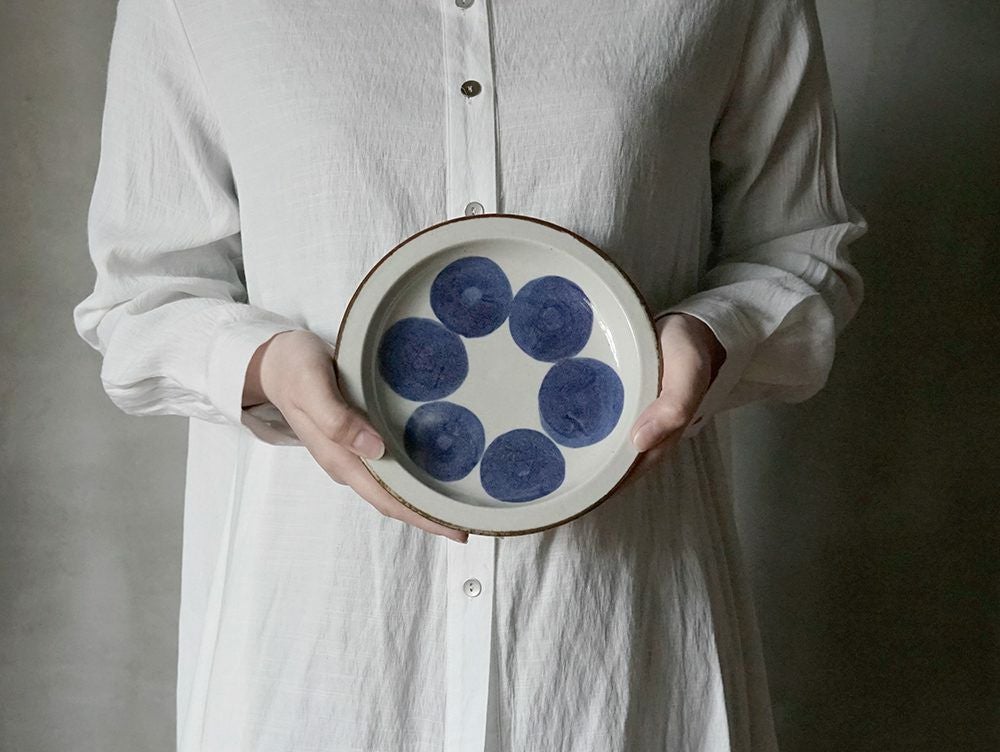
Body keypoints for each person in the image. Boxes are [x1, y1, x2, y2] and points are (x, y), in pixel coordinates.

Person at [73, 0, 868, 749]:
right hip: (321, 651)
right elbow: (143, 297)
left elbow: (803, 251)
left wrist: (713, 338)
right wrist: (266, 365)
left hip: (616, 652)